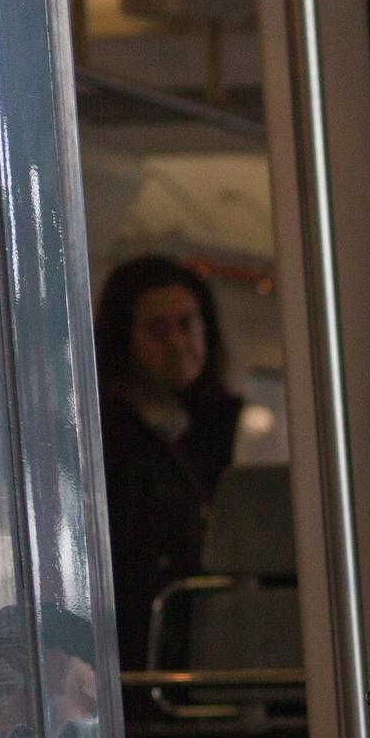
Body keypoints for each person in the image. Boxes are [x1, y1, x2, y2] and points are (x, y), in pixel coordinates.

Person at [95, 253, 241, 670]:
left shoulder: (226, 423)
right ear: (125, 339)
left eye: (187, 324)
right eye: (157, 329)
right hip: (141, 649)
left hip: (216, 642)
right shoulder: (107, 434)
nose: (177, 344)